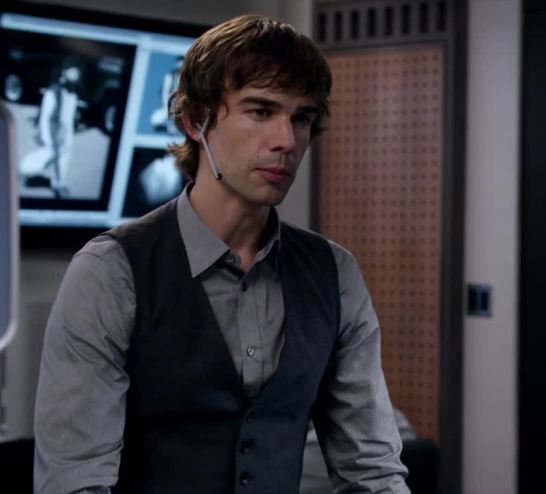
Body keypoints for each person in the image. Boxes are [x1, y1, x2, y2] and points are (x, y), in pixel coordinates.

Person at [34, 15, 410, 494]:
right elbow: (74, 481)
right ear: (196, 121)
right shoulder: (111, 272)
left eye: (301, 118)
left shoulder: (333, 273)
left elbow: (371, 470)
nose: (286, 141)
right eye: (261, 111)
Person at [19, 60, 82, 198]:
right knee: (46, 154)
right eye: (73, 70)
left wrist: (69, 132)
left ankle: (59, 184)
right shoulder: (53, 92)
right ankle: (22, 169)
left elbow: (70, 115)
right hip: (53, 130)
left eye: (77, 71)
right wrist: (47, 137)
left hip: (66, 131)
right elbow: (45, 117)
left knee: (64, 156)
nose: (77, 73)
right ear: (64, 72)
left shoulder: (74, 92)